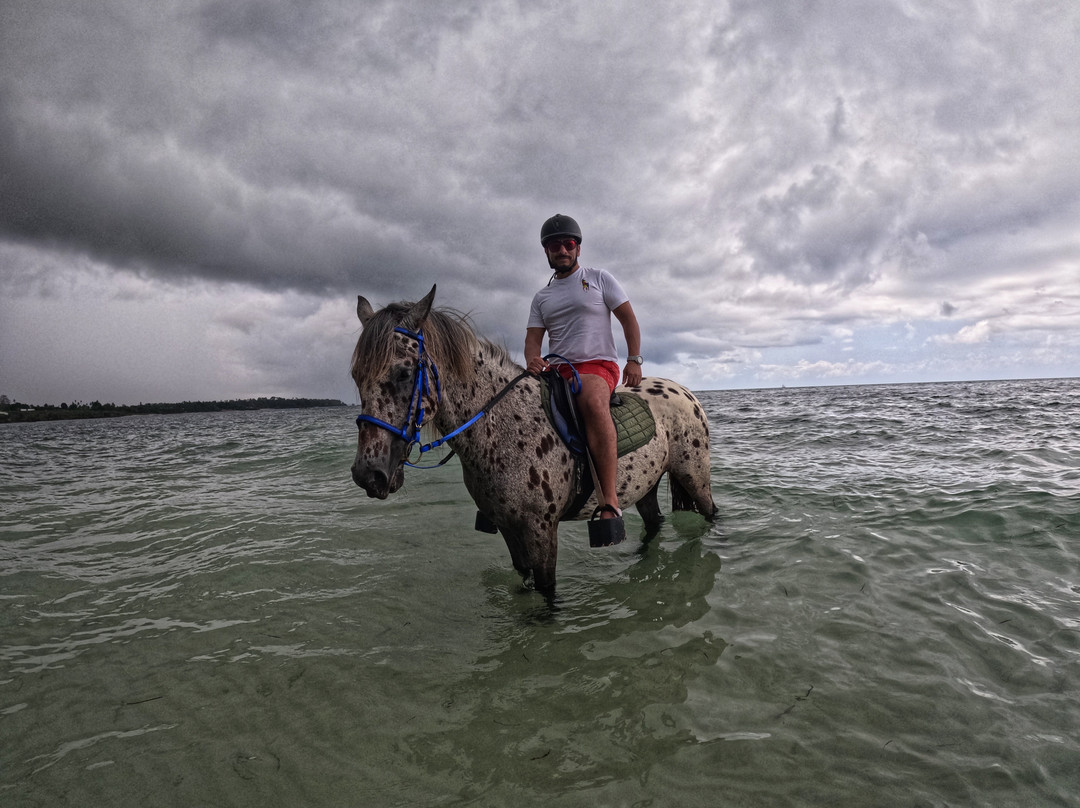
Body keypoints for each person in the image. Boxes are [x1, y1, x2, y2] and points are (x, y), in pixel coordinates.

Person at [524, 214, 643, 523]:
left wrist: (634, 358)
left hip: (598, 364)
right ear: (546, 251)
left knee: (591, 400)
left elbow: (628, 319)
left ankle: (610, 502)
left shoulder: (600, 278)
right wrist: (532, 359)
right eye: (554, 245)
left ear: (577, 248)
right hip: (557, 368)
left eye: (568, 243)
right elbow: (532, 340)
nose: (562, 250)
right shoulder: (542, 297)